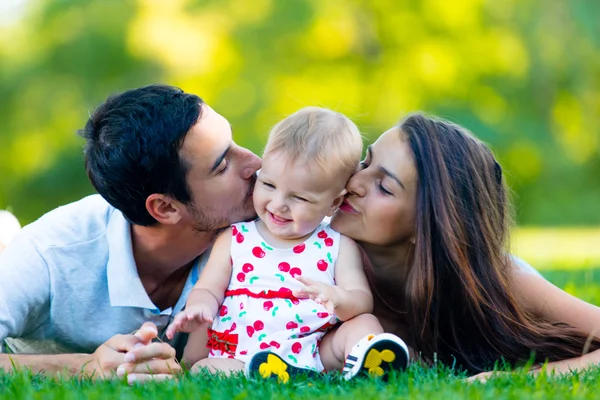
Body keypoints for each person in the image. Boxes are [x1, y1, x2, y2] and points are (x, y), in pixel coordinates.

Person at [0, 84, 261, 383]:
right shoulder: (49, 252)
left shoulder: (267, 224)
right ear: (164, 207)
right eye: (223, 165)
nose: (255, 162)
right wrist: (86, 367)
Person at [317, 113, 600, 378]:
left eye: (385, 187)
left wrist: (515, 377)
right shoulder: (316, 258)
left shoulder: (503, 282)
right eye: (365, 163)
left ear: (428, 223)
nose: (354, 182)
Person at [166, 107, 409, 383]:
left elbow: (361, 299)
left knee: (365, 325)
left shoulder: (337, 244)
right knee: (203, 368)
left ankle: (369, 361)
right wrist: (201, 307)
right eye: (268, 184)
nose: (278, 204)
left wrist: (339, 298)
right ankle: (262, 374)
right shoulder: (235, 238)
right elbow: (209, 288)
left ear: (333, 203)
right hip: (241, 352)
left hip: (315, 349)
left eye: (299, 198)